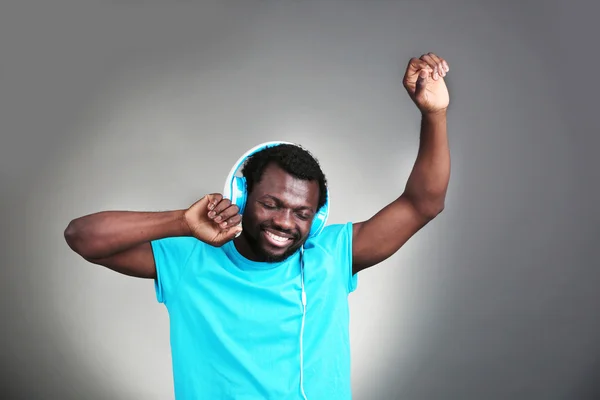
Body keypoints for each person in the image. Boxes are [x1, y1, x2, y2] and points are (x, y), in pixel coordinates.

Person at [64, 52, 451, 400]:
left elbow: (423, 203)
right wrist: (181, 222)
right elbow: (82, 237)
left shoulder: (331, 256)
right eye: (271, 204)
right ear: (241, 194)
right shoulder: (187, 258)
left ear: (317, 217)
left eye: (301, 212)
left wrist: (434, 115)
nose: (285, 222)